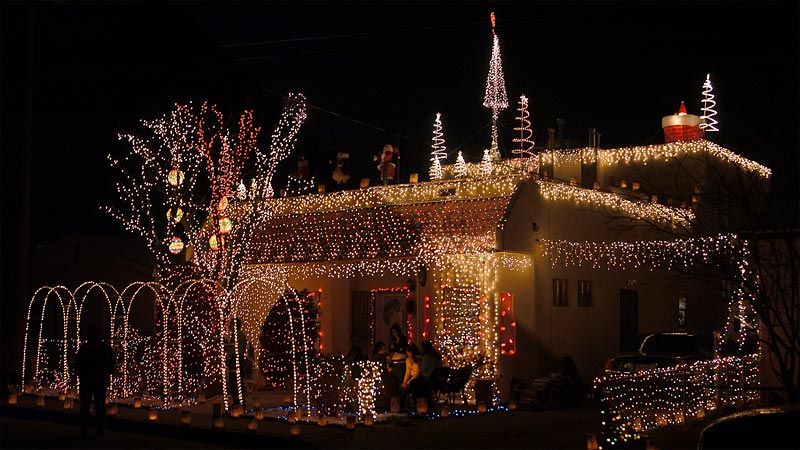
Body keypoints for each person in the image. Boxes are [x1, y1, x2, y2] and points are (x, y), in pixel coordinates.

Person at [75, 325, 115, 438]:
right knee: (99, 405)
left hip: (87, 380)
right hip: (99, 380)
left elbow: (78, 364)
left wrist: (81, 374)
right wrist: (106, 373)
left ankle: (85, 429)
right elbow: (111, 364)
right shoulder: (105, 348)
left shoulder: (85, 348)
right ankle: (99, 430)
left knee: (85, 406)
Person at [409, 340, 443, 405]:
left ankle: (418, 402)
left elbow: (423, 370)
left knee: (413, 383)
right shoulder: (436, 356)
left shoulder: (427, 357)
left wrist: (419, 361)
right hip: (438, 380)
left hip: (430, 379)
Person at [225, 318, 249, 407]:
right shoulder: (237, 335)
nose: (229, 326)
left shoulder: (238, 336)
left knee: (235, 381)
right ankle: (238, 401)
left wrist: (228, 349)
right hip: (237, 359)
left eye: (231, 324)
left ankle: (238, 401)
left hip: (236, 360)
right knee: (236, 381)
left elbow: (236, 350)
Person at [399, 343, 420, 408]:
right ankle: (400, 405)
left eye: (408, 352)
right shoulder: (408, 360)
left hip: (417, 379)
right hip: (411, 377)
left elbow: (417, 374)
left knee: (405, 388)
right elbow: (407, 372)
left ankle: (402, 405)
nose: (408, 354)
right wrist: (404, 382)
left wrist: (407, 383)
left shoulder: (418, 360)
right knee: (401, 387)